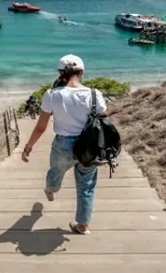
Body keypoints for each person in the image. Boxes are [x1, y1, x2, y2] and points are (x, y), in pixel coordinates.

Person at [21, 54, 107, 235]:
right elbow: (102, 121)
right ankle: (82, 225)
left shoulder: (52, 95)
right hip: (89, 146)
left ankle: (50, 190)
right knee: (86, 185)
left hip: (63, 144)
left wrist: (28, 147)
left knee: (55, 172)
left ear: (60, 73)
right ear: (82, 72)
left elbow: (41, 127)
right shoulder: (94, 94)